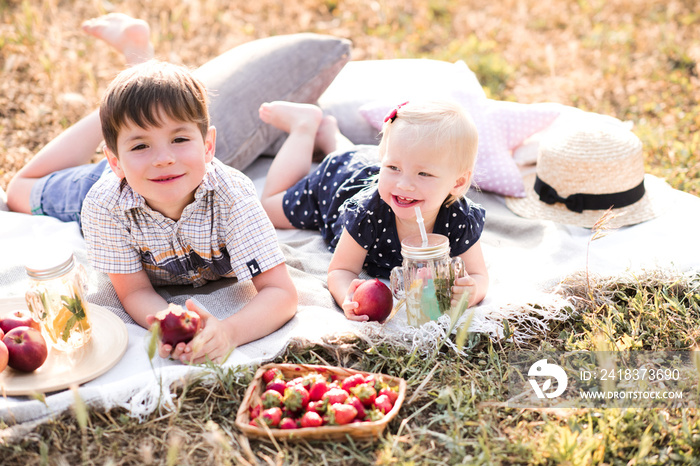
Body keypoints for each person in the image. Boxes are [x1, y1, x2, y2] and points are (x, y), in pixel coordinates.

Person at [5, 14, 297, 364]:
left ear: (207, 146)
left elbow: (281, 293)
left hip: (138, 171)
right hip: (112, 185)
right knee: (18, 191)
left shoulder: (233, 196)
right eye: (142, 144)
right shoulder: (103, 203)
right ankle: (131, 77)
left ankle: (134, 83)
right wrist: (162, 324)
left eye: (179, 138)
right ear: (114, 160)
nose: (163, 159)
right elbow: (137, 290)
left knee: (137, 117)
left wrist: (228, 331)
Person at [258, 99, 488, 321]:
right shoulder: (368, 212)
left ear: (457, 183)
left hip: (364, 165)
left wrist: (470, 292)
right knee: (270, 207)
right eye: (393, 167)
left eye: (424, 174)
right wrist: (348, 295)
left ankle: (331, 134)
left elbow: (479, 275)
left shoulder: (459, 217)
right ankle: (303, 126)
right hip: (337, 182)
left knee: (355, 157)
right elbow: (341, 270)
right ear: (384, 162)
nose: (404, 184)